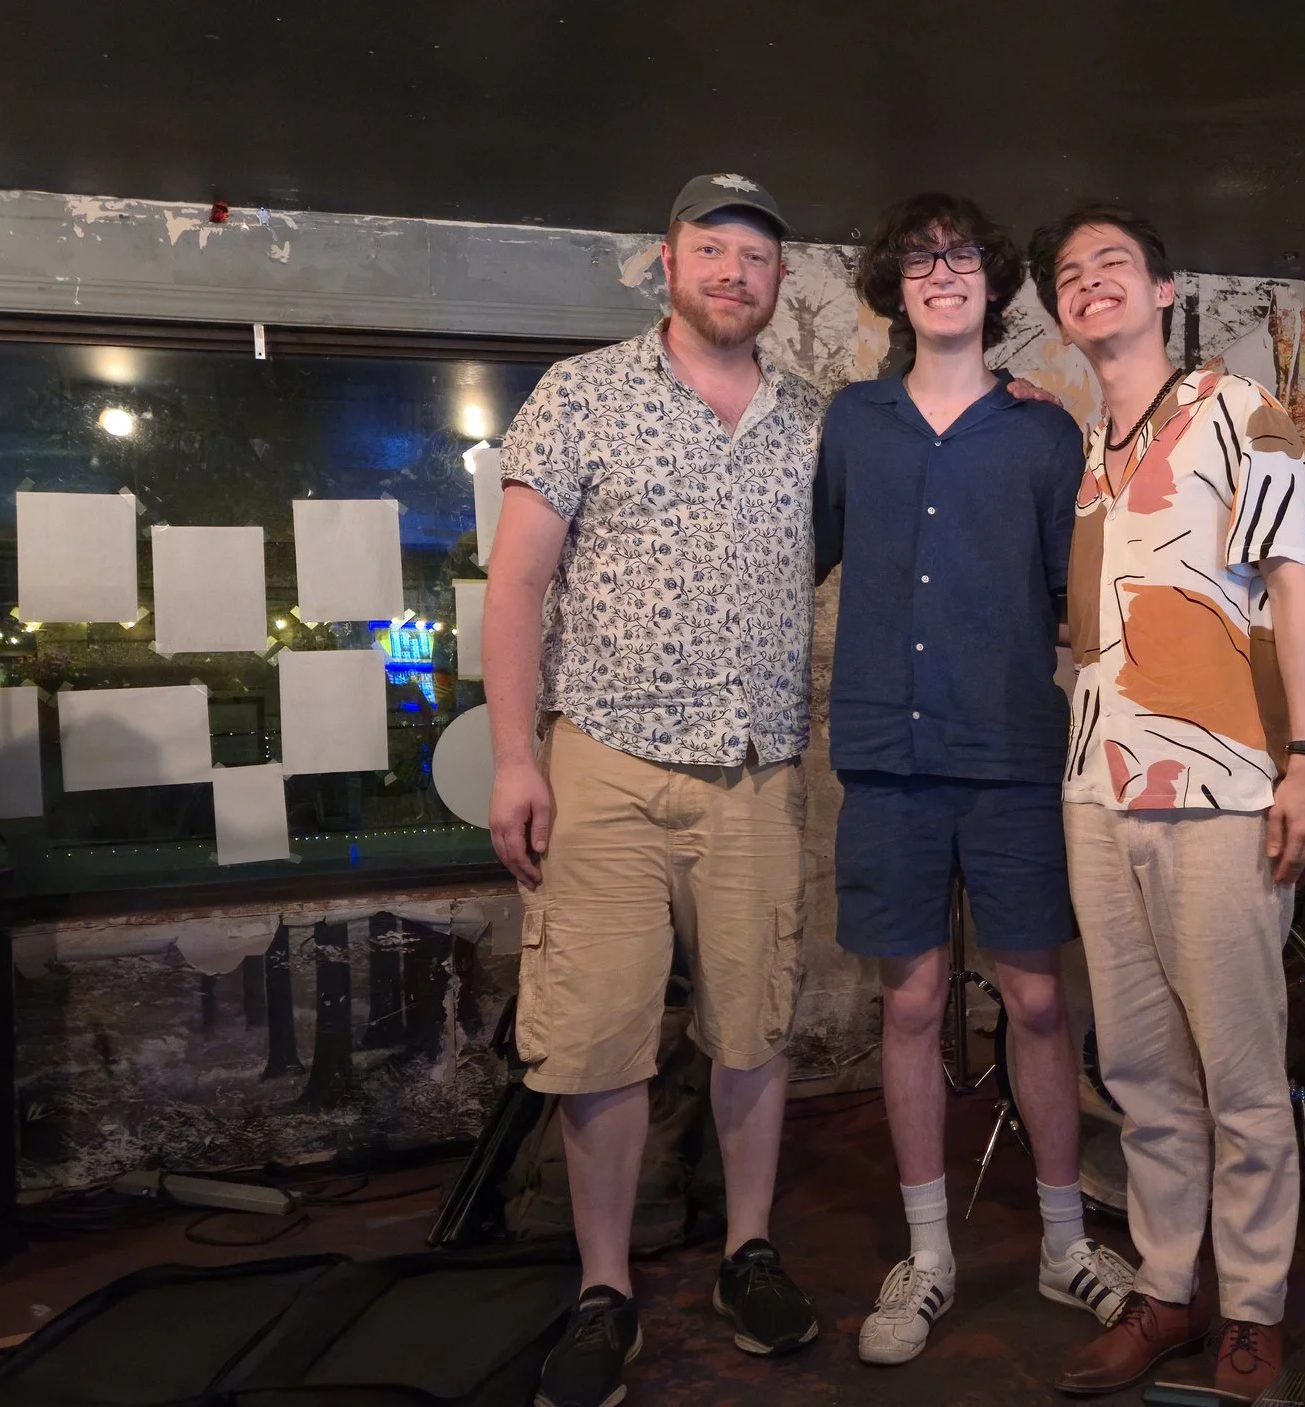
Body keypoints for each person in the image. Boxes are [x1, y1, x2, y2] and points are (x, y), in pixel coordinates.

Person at [485, 173, 825, 1407]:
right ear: (666, 263)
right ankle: (604, 1289)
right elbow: (517, 586)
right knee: (599, 1041)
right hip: (606, 765)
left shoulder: (812, 422)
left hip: (754, 769)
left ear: (778, 278)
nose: (734, 271)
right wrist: (515, 758)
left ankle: (749, 1251)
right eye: (711, 247)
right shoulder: (582, 394)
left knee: (753, 1026)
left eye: (756, 255)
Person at [813, 192, 1139, 1367]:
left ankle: (1062, 1243)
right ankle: (929, 1254)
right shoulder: (851, 423)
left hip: (1010, 756)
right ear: (893, 287)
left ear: (993, 284)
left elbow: (1075, 599)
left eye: (961, 257)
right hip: (888, 758)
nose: (942, 273)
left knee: (1039, 1004)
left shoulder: (1043, 433)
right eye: (920, 258)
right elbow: (798, 559)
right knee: (909, 1005)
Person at [1027, 203, 1305, 1404]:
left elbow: (1292, 587)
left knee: (1241, 1077)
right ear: (1060, 314)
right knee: (1142, 1074)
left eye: (1113, 263)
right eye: (1068, 274)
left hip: (1221, 785)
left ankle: (1252, 1310)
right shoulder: (1083, 456)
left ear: (1164, 289)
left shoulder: (1234, 406)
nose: (1089, 282)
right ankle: (1167, 1290)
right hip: (1096, 790)